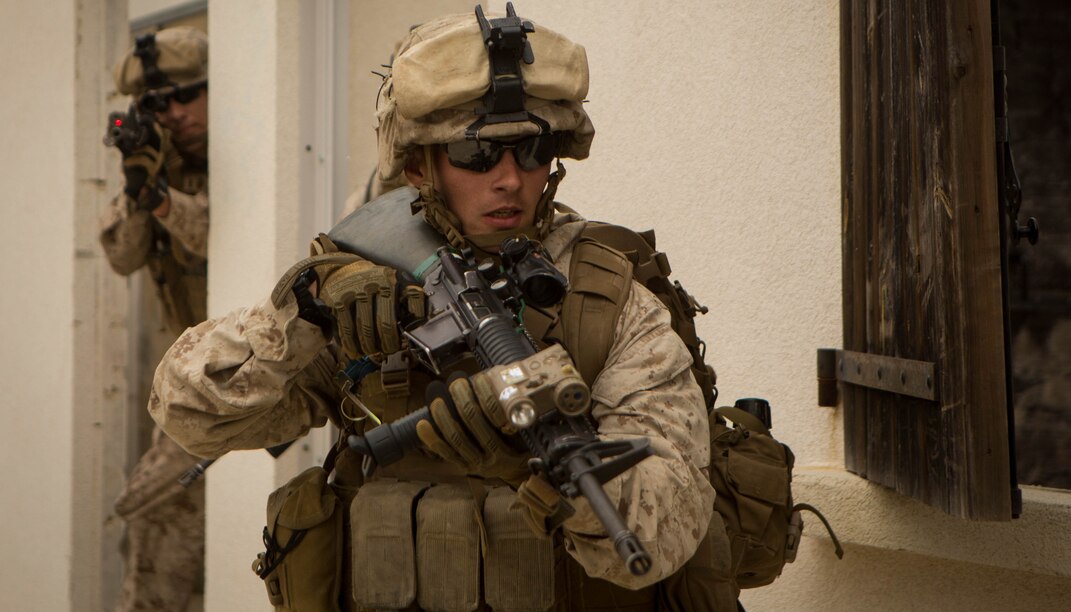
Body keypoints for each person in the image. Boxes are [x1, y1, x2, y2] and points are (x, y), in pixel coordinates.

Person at [150, 6, 735, 611]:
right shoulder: (363, 286)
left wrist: (528, 462)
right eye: (476, 154)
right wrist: (305, 315)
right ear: (417, 166)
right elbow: (189, 414)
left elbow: (661, 535)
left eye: (531, 150)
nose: (509, 178)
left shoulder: (608, 299)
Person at [100, 26, 209, 612]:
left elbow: (227, 234)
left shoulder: (244, 153)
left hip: (253, 382)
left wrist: (166, 198)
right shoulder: (156, 164)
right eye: (156, 105)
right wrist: (142, 187)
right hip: (183, 390)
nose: (172, 114)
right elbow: (121, 255)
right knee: (158, 554)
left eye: (185, 96)